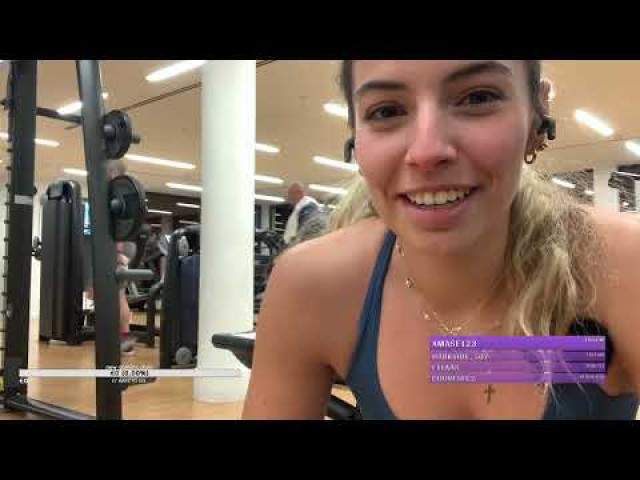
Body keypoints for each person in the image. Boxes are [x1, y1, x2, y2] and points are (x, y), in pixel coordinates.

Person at [242, 60, 640, 420]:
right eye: (386, 111)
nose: (427, 151)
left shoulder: (621, 266)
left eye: (478, 97)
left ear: (538, 113)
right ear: (356, 138)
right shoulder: (315, 285)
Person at [86, 158, 138, 356]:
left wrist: (118, 252)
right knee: (109, 295)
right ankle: (116, 338)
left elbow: (120, 225)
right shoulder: (124, 191)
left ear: (112, 173)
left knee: (117, 295)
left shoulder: (117, 193)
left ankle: (125, 342)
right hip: (120, 245)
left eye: (106, 173)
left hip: (119, 245)